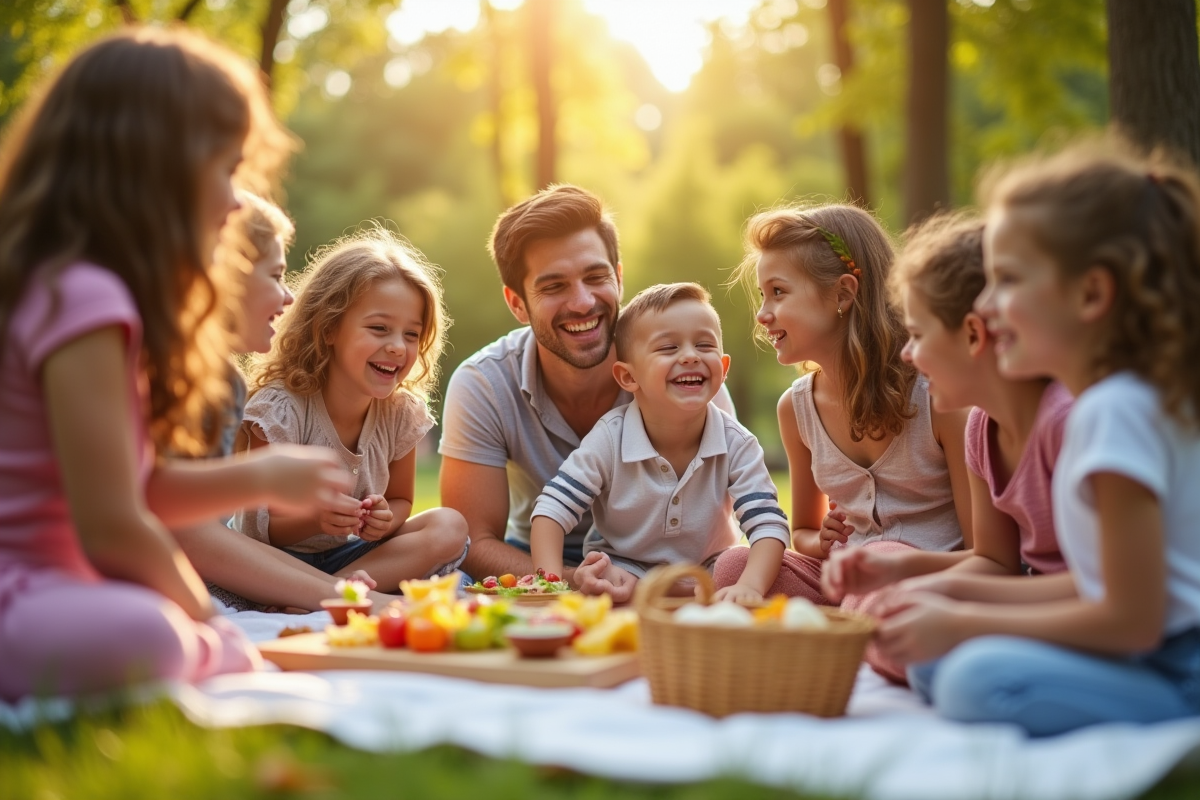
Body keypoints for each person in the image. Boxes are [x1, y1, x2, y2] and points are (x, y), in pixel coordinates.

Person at [0, 29, 350, 701]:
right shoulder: (84, 299)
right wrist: (208, 622)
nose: (235, 200)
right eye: (225, 171)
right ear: (152, 171)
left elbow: (137, 489)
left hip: (63, 584)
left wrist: (260, 476)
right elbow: (114, 524)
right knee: (159, 638)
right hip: (23, 591)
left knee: (171, 632)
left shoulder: (76, 288)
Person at [877, 143, 1200, 736]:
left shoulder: (1111, 411)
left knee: (973, 678)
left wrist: (966, 623)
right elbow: (1088, 588)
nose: (984, 305)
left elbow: (1132, 620)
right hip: (1147, 649)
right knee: (934, 664)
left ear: (1091, 295)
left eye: (1008, 280)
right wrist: (950, 609)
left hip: (1178, 664)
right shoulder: (1111, 404)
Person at [439, 185, 732, 583]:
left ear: (619, 277)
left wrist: (646, 580)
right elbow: (475, 540)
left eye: (596, 277)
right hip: (535, 557)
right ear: (517, 304)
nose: (582, 302)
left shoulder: (682, 366)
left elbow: (719, 513)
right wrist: (571, 580)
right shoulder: (484, 384)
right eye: (554, 286)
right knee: (455, 584)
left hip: (668, 559)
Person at [824, 212, 1071, 683]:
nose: (906, 354)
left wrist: (958, 616)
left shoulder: (1065, 423)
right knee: (917, 648)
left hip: (1120, 634)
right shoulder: (981, 427)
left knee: (962, 682)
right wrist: (900, 579)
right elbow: (995, 562)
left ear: (975, 335)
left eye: (917, 335)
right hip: (1048, 613)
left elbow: (1110, 596)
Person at [714, 204, 972, 602]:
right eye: (762, 296)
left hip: (928, 582)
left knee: (879, 561)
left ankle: (846, 641)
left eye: (778, 292)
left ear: (843, 293)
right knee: (733, 567)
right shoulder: (796, 410)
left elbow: (981, 553)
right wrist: (822, 540)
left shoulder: (939, 397)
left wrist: (882, 563)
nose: (762, 315)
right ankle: (833, 634)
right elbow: (801, 532)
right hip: (850, 577)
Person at [174, 191, 390, 611]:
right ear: (223, 275)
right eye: (275, 275)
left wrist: (348, 594)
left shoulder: (225, 383)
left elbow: (210, 537)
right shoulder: (164, 376)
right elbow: (190, 535)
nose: (289, 297)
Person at [236, 228, 469, 590]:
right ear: (328, 328)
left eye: (411, 334)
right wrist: (317, 518)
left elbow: (402, 499)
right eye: (379, 328)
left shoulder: (400, 413)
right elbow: (268, 528)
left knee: (450, 525)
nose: (397, 347)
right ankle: (315, 593)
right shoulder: (280, 410)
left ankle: (331, 592)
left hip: (350, 558)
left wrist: (385, 520)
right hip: (275, 560)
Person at [528, 283, 789, 603]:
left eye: (704, 345)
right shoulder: (610, 438)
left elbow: (768, 524)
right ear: (628, 377)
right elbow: (551, 511)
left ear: (722, 369)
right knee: (599, 577)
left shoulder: (737, 442)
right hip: (625, 568)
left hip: (711, 571)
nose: (691, 356)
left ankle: (702, 596)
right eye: (668, 348)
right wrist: (551, 584)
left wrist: (749, 586)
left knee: (752, 566)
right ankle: (644, 599)